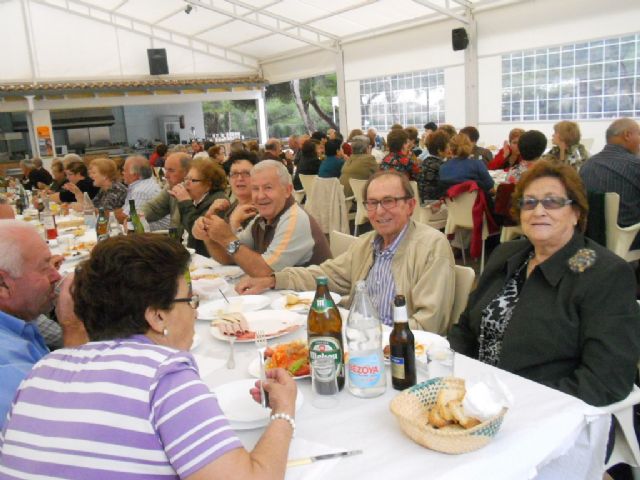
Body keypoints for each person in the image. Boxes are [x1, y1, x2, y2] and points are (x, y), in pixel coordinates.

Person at [0, 234, 297, 478]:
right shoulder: (164, 377)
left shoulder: (39, 373)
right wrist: (283, 412)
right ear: (157, 316)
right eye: (188, 300)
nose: (194, 311)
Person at [448, 160, 640, 406]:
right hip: (477, 397)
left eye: (552, 202)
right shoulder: (507, 254)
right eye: (529, 203)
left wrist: (520, 403)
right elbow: (465, 329)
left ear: (576, 213)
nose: (538, 211)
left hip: (549, 411)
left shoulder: (604, 273)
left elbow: (607, 379)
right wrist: (448, 374)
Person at [236, 170, 455, 334]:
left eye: (389, 201)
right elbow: (324, 275)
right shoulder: (368, 243)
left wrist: (376, 339)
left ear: (410, 205)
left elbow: (428, 323)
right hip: (358, 338)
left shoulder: (431, 247)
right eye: (372, 203)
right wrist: (272, 280)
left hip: (400, 353)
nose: (379, 211)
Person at [0, 221, 86, 429]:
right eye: (44, 267)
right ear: (3, 285)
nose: (56, 276)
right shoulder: (6, 363)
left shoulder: (19, 322)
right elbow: (67, 424)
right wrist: (74, 327)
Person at [194, 160, 331, 277]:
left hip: (314, 301)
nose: (260, 196)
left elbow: (264, 272)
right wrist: (209, 236)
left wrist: (227, 238)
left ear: (288, 190)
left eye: (268, 188)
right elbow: (231, 256)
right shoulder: (262, 218)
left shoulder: (294, 219)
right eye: (255, 189)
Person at [580, 118, 640, 249]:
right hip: (630, 238)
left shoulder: (587, 166)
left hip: (591, 237)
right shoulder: (635, 165)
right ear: (627, 135)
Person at [172, 157, 227, 256]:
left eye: (193, 180)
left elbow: (197, 232)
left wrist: (185, 202)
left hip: (208, 259)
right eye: (186, 179)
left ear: (208, 185)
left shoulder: (218, 202)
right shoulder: (196, 200)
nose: (186, 184)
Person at [143, 152, 192, 238]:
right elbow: (154, 207)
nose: (166, 175)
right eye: (166, 170)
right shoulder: (171, 187)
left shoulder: (197, 192)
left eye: (171, 170)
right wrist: (136, 215)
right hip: (174, 241)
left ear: (187, 172)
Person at [207, 150, 259, 231]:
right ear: (228, 179)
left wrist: (235, 226)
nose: (239, 178)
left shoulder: (260, 213)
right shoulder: (234, 206)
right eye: (234, 174)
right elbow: (217, 242)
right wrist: (209, 216)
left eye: (246, 173)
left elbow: (232, 243)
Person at [116, 155, 168, 230]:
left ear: (134, 175)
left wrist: (102, 214)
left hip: (158, 234)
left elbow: (126, 218)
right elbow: (124, 211)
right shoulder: (143, 184)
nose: (122, 173)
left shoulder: (141, 191)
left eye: (124, 170)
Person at [417, 129, 451, 202]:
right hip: (435, 205)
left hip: (422, 204)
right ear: (439, 150)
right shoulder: (441, 166)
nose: (449, 150)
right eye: (447, 147)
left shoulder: (425, 162)